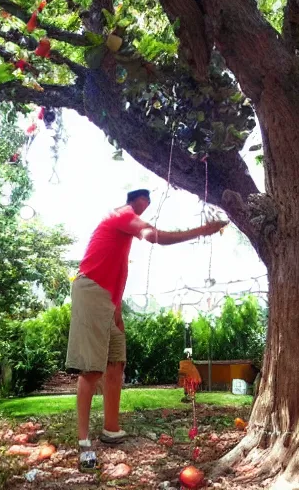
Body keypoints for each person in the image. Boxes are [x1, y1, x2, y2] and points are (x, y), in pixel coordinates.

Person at [65, 189, 227, 470]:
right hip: (91, 290)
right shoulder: (122, 214)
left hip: (109, 300)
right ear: (137, 201)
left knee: (116, 363)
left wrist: (117, 309)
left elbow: (117, 270)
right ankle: (83, 443)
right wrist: (203, 230)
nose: (146, 209)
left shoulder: (123, 228)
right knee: (92, 369)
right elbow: (155, 236)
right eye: (146, 203)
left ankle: (111, 429)